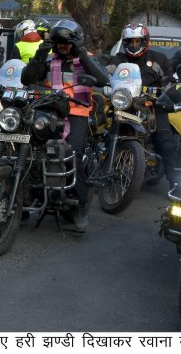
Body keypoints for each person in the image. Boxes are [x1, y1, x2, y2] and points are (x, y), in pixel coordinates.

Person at [20, 20, 110, 232]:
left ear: (76, 42)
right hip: (47, 110)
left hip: (75, 112)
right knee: (25, 146)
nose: (62, 45)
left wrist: (83, 54)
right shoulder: (49, 60)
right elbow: (26, 79)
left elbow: (102, 78)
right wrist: (40, 54)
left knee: (73, 154)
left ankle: (79, 205)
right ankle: (21, 197)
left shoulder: (85, 59)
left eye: (67, 42)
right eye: (58, 41)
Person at [105, 22, 177, 188]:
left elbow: (169, 79)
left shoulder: (158, 58)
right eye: (130, 42)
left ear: (145, 41)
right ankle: (104, 171)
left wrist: (165, 91)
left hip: (152, 106)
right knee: (107, 135)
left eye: (137, 41)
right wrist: (100, 75)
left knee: (165, 143)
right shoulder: (119, 59)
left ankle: (176, 183)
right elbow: (107, 71)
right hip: (125, 105)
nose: (134, 45)